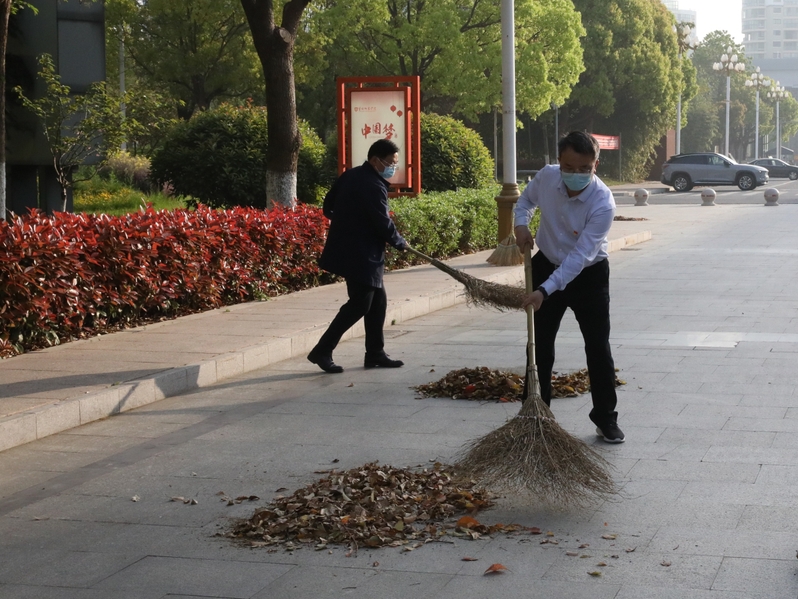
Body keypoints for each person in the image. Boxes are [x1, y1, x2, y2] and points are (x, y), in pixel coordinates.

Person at [513, 131, 624, 443]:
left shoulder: (603, 202)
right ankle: (536, 414)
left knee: (597, 347)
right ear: (559, 162)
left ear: (595, 165)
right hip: (546, 261)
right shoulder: (547, 177)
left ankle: (605, 417)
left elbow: (579, 257)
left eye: (584, 168)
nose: (576, 174)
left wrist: (544, 291)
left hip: (588, 274)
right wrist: (521, 224)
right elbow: (525, 200)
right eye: (569, 167)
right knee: (539, 344)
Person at [307, 138, 409, 374]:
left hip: (351, 248)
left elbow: (328, 206)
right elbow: (382, 222)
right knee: (360, 304)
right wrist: (399, 242)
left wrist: (347, 222)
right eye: (390, 163)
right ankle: (322, 350)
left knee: (378, 301)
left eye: (395, 163)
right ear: (375, 160)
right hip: (361, 253)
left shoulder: (350, 175)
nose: (393, 168)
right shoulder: (373, 185)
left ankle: (375, 353)